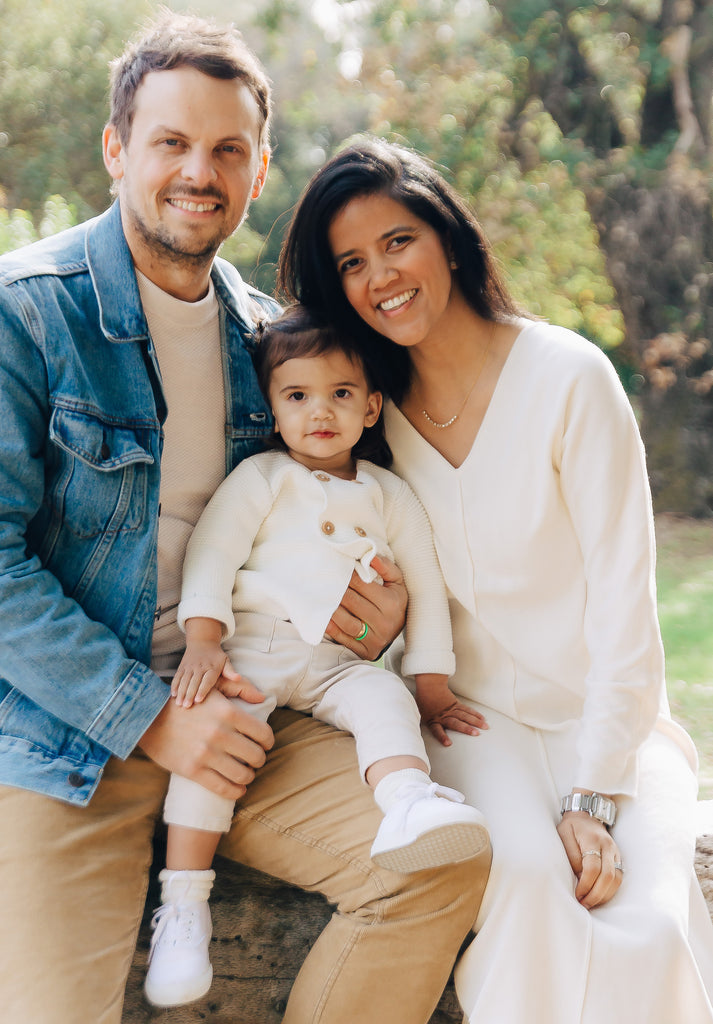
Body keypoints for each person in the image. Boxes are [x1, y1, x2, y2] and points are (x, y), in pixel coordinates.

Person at [0, 12, 491, 1023]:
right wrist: (150, 717)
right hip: (39, 738)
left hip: (241, 700)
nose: (197, 171)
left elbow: (327, 515)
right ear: (116, 149)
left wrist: (370, 613)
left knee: (435, 861)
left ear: (258, 172)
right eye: (170, 142)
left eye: (227, 149)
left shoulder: (271, 343)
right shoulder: (12, 312)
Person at [277, 135, 713, 1023]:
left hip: (615, 723)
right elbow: (331, 585)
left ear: (447, 237)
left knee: (654, 919)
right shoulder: (367, 418)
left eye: (397, 241)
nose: (379, 276)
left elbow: (628, 614)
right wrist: (377, 622)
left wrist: (594, 793)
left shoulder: (569, 378)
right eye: (350, 263)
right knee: (522, 879)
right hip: (469, 724)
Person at [145, 305, 489, 1007]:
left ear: (371, 406)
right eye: (297, 396)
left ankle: (404, 800)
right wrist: (204, 638)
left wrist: (428, 682)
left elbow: (423, 584)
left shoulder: (389, 494)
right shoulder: (263, 478)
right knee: (217, 740)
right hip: (255, 649)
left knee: (381, 699)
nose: (318, 412)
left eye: (339, 395)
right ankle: (184, 903)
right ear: (272, 410)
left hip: (335, 665)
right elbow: (213, 552)